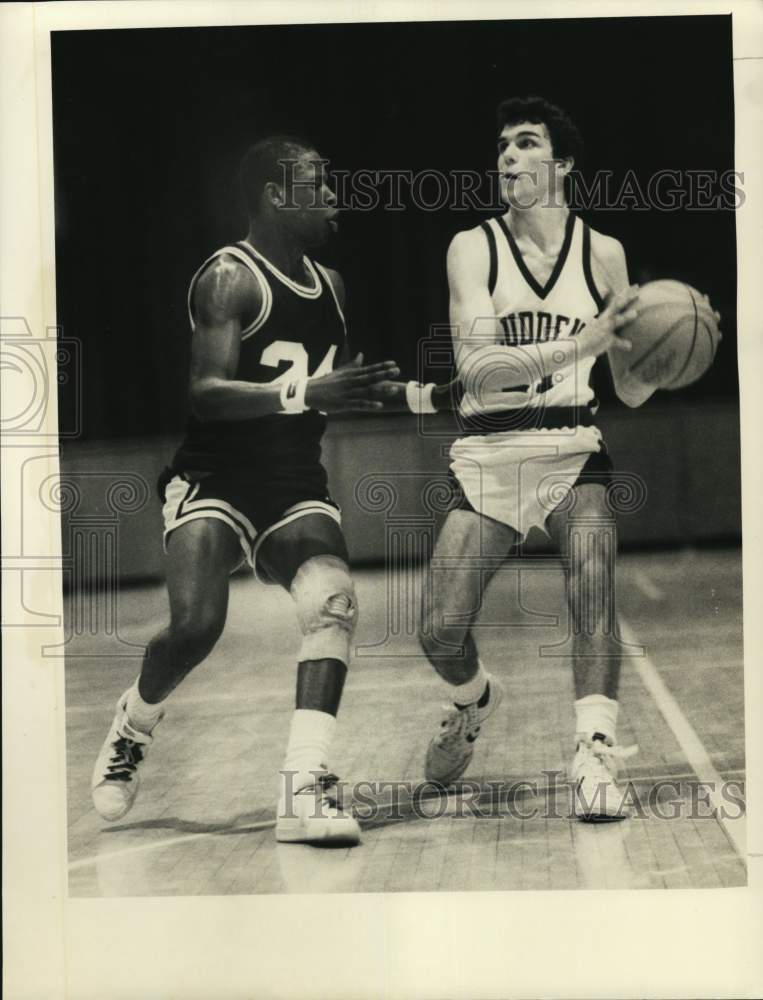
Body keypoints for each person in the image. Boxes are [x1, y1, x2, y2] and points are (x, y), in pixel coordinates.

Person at [90, 135, 453, 845]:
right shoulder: (229, 278)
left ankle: (303, 787)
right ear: (275, 196)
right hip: (215, 479)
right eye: (318, 185)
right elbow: (204, 393)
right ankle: (133, 726)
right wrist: (305, 391)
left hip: (292, 484)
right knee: (195, 628)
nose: (334, 197)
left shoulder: (333, 285)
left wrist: (428, 395)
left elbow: (337, 390)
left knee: (335, 606)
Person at [418, 96, 655, 819]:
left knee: (591, 573)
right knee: (438, 631)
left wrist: (656, 352)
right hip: (489, 450)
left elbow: (633, 394)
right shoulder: (472, 246)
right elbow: (481, 370)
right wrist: (584, 341)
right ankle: (473, 699)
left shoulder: (602, 252)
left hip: (570, 448)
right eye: (501, 147)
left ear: (563, 163)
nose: (509, 158)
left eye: (526, 144)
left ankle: (593, 747)